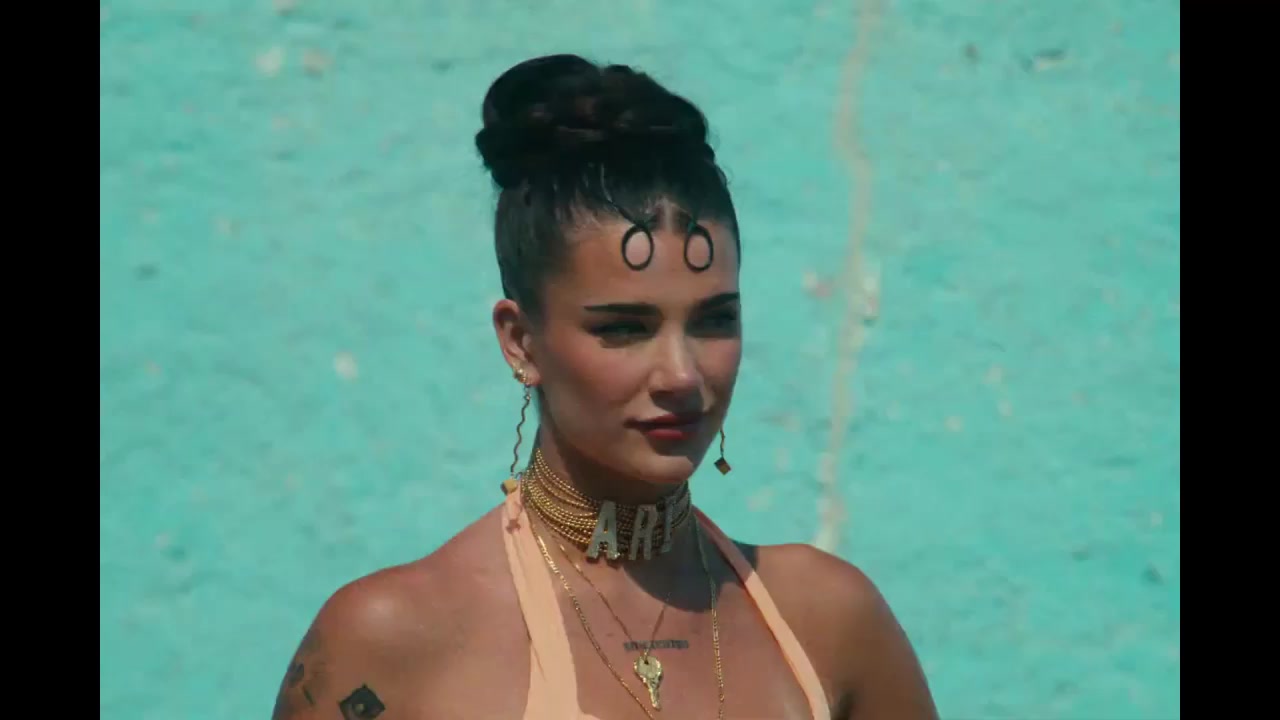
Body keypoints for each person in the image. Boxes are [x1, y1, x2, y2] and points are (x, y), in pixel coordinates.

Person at [270, 53, 939, 720]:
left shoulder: (825, 625)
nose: (682, 375)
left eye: (714, 320)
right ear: (520, 342)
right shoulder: (393, 641)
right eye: (624, 328)